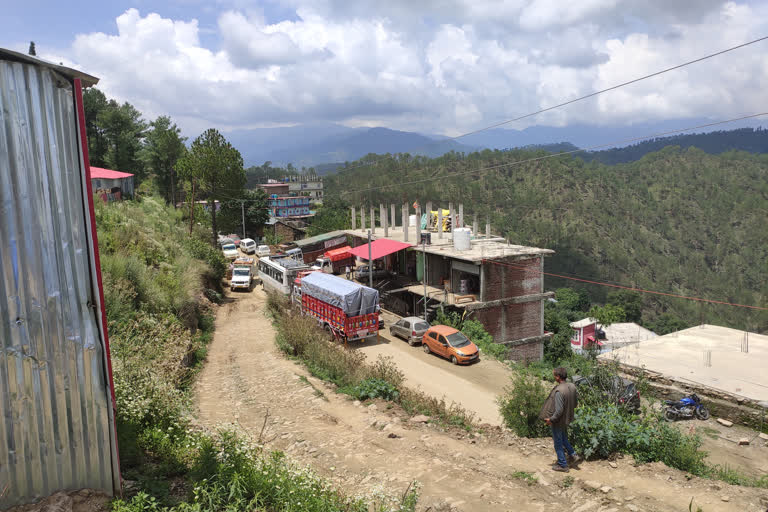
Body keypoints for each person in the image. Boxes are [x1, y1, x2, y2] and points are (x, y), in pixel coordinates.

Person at [539, 367, 581, 472]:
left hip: (558, 421)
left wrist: (551, 420)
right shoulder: (571, 387)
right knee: (563, 438)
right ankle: (573, 454)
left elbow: (559, 411)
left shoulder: (559, 391)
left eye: (554, 375)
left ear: (558, 377)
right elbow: (575, 404)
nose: (554, 377)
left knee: (558, 442)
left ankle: (563, 465)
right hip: (567, 418)